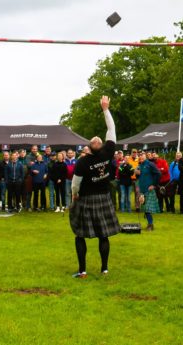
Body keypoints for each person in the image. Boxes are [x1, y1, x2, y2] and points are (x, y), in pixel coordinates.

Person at [69, 95, 121, 278]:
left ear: (89, 148)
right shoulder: (107, 152)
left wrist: (74, 195)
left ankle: (84, 270)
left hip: (86, 200)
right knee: (102, 235)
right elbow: (111, 128)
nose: (98, 138)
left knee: (80, 234)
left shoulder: (83, 162)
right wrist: (105, 109)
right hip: (103, 198)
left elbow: (75, 184)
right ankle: (102, 269)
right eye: (96, 139)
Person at [136, 151, 161, 231]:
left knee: (147, 208)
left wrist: (153, 184)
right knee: (145, 208)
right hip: (142, 189)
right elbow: (139, 177)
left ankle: (150, 225)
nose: (141, 157)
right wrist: (137, 174)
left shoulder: (150, 164)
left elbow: (158, 174)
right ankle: (150, 224)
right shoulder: (140, 165)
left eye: (142, 155)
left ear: (145, 156)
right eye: (140, 155)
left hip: (149, 189)